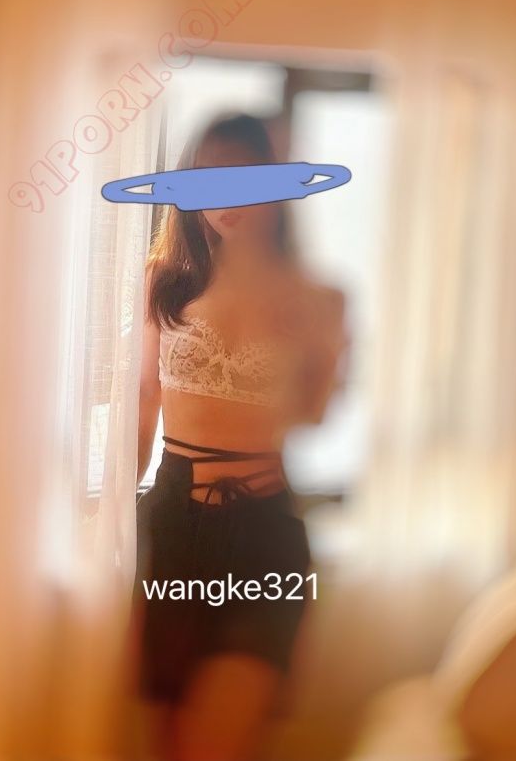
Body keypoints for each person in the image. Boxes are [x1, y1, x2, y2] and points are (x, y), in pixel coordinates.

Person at [132, 112, 350, 761]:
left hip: (263, 535)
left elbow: (313, 416)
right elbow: (143, 404)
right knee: (174, 745)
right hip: (174, 528)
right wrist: (109, 524)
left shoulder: (318, 297)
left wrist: (316, 347)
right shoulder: (167, 283)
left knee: (215, 743)